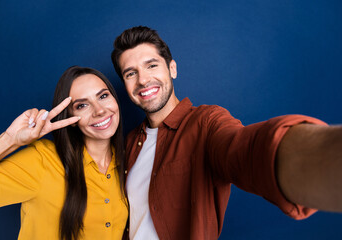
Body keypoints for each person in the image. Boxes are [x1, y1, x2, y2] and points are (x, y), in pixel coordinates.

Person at [111, 26, 342, 239]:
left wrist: (323, 157)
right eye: (131, 73)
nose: (143, 79)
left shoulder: (206, 123)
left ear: (172, 68)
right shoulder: (130, 142)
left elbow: (244, 149)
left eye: (152, 65)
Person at [0, 66, 128, 240]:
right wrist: (10, 140)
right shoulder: (42, 160)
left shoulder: (129, 161)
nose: (100, 111)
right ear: (70, 118)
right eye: (82, 105)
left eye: (103, 96)